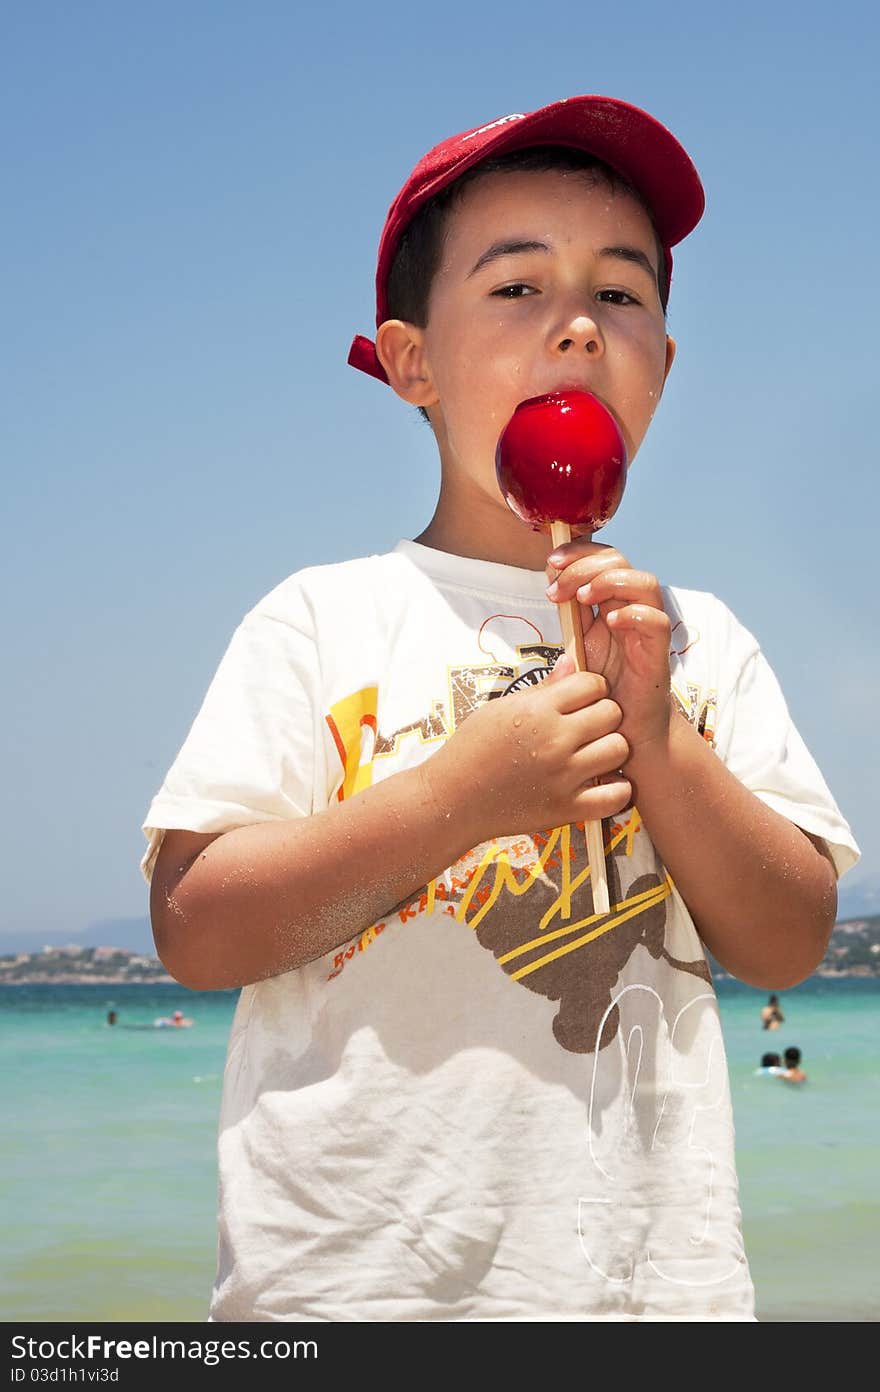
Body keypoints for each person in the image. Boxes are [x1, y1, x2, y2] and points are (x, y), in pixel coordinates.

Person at [141, 95, 860, 1322]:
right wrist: (458, 797)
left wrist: (658, 736)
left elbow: (785, 942)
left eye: (621, 295)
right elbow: (197, 932)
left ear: (664, 368)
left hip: (648, 1294)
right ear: (412, 360)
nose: (578, 328)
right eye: (518, 289)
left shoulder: (701, 642)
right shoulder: (319, 620)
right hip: (349, 1292)